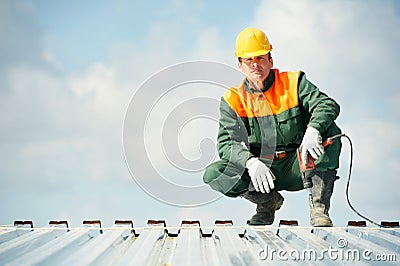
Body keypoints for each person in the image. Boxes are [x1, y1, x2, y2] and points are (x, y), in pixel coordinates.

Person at [203, 27, 342, 226]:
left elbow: (327, 105)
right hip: (262, 173)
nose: (255, 64)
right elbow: (227, 144)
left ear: (270, 60)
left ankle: (319, 207)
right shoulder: (233, 100)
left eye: (260, 58)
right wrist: (250, 162)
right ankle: (268, 203)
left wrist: (314, 129)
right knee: (214, 173)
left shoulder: (294, 83)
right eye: (248, 60)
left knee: (331, 132)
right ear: (240, 65)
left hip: (299, 165)